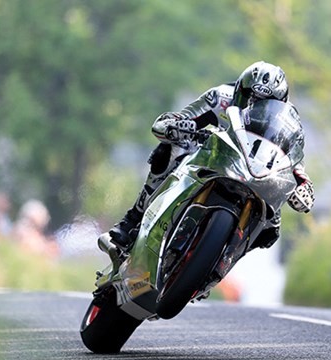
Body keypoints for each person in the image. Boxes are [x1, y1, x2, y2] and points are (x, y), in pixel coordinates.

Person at [98, 61, 315, 254]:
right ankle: (132, 220)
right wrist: (176, 127)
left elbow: (295, 166)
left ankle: (222, 259)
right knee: (169, 149)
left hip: (259, 178)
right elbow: (174, 120)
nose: (255, 107)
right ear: (240, 90)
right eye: (251, 99)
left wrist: (301, 186)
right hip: (215, 161)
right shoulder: (221, 97)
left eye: (264, 103)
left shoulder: (289, 124)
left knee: (270, 231)